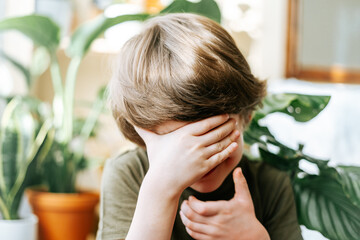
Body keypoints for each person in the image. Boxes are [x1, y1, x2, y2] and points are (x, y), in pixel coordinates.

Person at [97, 13, 303, 240]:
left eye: (214, 135)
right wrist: (158, 191)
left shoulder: (271, 185)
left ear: (246, 116)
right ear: (141, 130)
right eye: (177, 141)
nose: (198, 154)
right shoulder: (129, 174)